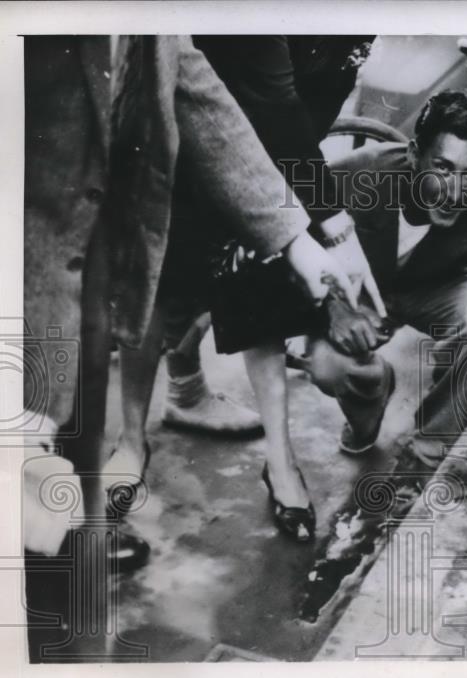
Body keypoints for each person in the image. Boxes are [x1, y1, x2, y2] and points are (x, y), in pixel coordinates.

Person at [22, 35, 352, 582]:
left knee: (70, 414)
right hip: (25, 238)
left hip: (101, 242)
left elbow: (200, 100)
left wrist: (300, 242)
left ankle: (63, 531)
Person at [102, 35, 377, 543]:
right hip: (180, 136)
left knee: (260, 279)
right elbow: (265, 99)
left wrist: (294, 216)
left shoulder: (361, 29)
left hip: (264, 159)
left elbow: (303, 113)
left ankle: (281, 461)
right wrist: (331, 222)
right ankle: (131, 440)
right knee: (155, 280)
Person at [304, 90, 467, 510]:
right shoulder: (354, 174)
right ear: (415, 154)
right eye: (443, 167)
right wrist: (331, 306)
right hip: (359, 292)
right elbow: (290, 239)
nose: (455, 191)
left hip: (433, 285)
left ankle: (421, 463)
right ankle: (373, 390)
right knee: (328, 367)